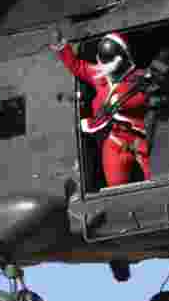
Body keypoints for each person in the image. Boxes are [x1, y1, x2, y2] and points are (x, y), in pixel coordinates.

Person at [50, 32, 151, 187]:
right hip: (114, 142)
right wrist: (62, 47)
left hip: (140, 140)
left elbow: (145, 100)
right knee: (116, 187)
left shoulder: (140, 79)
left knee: (154, 179)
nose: (102, 67)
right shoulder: (99, 75)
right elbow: (78, 66)